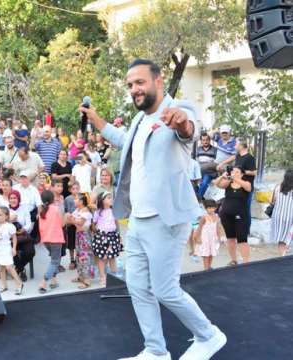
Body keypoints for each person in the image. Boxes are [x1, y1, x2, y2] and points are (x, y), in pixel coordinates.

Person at [80, 58, 225, 360]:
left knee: (165, 290)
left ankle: (209, 335)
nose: (134, 89)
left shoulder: (179, 109)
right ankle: (156, 352)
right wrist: (95, 119)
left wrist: (182, 122)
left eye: (140, 82)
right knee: (137, 288)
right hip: (137, 220)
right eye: (130, 84)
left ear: (159, 81)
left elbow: (188, 130)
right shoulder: (139, 119)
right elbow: (124, 141)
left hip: (166, 220)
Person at [214, 165, 252, 265]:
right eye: (233, 172)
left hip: (241, 216)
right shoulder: (228, 183)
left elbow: (248, 188)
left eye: (237, 172)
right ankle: (233, 260)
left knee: (242, 240)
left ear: (242, 174)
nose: (234, 173)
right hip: (226, 215)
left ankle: (245, 262)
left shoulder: (246, 183)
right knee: (230, 239)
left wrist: (235, 178)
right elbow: (217, 183)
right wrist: (222, 176)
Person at [0, 206, 23, 295]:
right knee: (1, 267)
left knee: (9, 267)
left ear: (6, 216)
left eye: (1, 215)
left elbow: (14, 237)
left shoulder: (10, 226)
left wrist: (14, 248)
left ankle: (19, 283)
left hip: (6, 247)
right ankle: (4, 285)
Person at [92, 192, 123, 287]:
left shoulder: (114, 211)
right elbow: (93, 224)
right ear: (102, 200)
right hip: (102, 236)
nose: (111, 199)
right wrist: (98, 235)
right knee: (102, 258)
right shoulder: (98, 212)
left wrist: (119, 236)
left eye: (111, 197)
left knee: (112, 257)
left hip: (113, 236)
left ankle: (113, 275)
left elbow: (116, 224)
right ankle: (103, 277)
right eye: (108, 198)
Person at [37, 190, 64, 293]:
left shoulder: (42, 211)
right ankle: (44, 282)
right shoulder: (56, 209)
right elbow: (62, 224)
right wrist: (66, 217)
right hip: (56, 239)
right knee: (55, 261)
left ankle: (53, 281)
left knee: (54, 260)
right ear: (53, 198)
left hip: (46, 240)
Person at [68, 192, 95, 289]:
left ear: (81, 201)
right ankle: (81, 276)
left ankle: (87, 279)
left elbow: (81, 222)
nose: (74, 200)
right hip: (78, 235)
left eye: (76, 199)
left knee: (85, 256)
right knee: (79, 255)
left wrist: (71, 221)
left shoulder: (85, 210)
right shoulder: (78, 209)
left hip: (84, 236)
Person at [8, 190, 34, 282]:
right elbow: (0, 223)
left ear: (18, 199)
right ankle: (22, 270)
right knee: (11, 251)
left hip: (22, 235)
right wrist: (9, 219)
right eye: (10, 198)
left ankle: (19, 268)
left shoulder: (24, 209)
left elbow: (29, 224)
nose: (12, 200)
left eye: (14, 198)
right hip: (10, 237)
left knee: (30, 252)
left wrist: (23, 229)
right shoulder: (6, 210)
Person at [268, 169, 293, 256]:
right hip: (291, 217)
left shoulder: (278, 187)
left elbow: (270, 200)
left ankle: (281, 257)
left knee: (282, 239)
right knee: (289, 237)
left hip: (278, 216)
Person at [194, 200, 222, 270]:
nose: (211, 209)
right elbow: (199, 227)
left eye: (213, 207)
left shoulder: (216, 216)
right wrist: (198, 237)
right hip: (205, 238)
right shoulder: (204, 217)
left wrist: (219, 236)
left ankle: (209, 267)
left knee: (211, 253)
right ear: (206, 208)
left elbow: (217, 227)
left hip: (212, 238)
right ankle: (206, 269)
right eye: (209, 208)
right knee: (206, 254)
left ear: (215, 208)